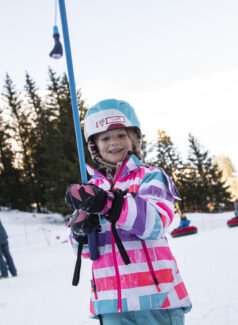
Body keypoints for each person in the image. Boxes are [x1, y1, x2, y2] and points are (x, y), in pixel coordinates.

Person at [65, 99, 192, 325]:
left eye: (121, 135)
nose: (114, 142)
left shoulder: (151, 176)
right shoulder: (91, 191)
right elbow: (85, 253)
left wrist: (108, 203)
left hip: (157, 300)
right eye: (105, 138)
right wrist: (79, 231)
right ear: (94, 145)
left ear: (134, 138)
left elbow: (155, 223)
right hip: (110, 302)